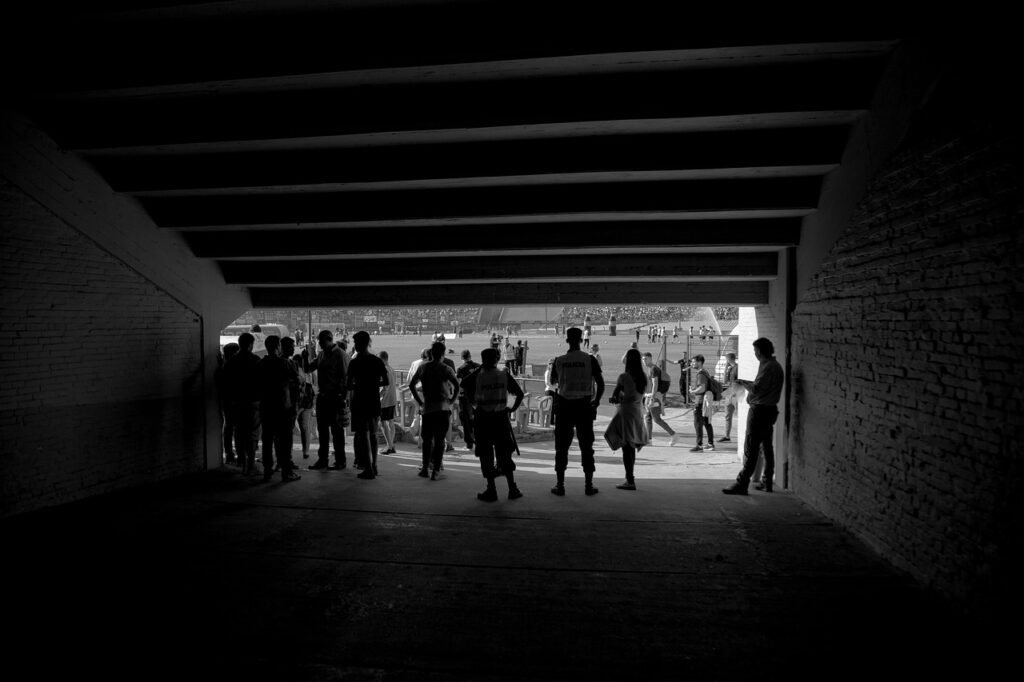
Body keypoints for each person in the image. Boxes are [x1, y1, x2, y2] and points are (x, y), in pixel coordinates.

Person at [461, 347, 525, 502]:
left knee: (485, 454)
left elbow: (464, 383)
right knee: (504, 454)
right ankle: (512, 488)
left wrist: (474, 403)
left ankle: (492, 490)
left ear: (483, 360)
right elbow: (520, 394)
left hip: (483, 419)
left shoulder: (478, 376)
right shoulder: (503, 375)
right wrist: (511, 409)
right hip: (501, 418)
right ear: (497, 359)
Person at [723, 338, 785, 495]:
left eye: (756, 351)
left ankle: (742, 483)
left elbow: (757, 389)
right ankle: (767, 481)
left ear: (761, 351)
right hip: (769, 410)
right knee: (766, 446)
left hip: (759, 411)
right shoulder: (774, 366)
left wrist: (743, 383)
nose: (755, 354)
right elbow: (762, 386)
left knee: (752, 447)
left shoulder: (768, 367)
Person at [549, 327, 605, 496]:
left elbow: (553, 381)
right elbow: (600, 384)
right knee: (586, 446)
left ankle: (560, 485)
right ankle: (588, 485)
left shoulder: (559, 360)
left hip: (565, 406)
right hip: (584, 406)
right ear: (581, 340)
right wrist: (596, 401)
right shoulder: (590, 360)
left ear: (567, 340)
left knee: (561, 447)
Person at [407, 341, 460, 480]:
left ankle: (425, 468)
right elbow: (456, 385)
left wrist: (420, 402)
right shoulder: (445, 368)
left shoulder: (423, 368)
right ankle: (436, 470)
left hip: (428, 408)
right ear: (443, 354)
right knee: (440, 440)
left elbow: (412, 385)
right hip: (442, 408)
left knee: (427, 440)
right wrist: (452, 400)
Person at [256, 335, 300, 482]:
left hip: (266, 406)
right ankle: (286, 472)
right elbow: (297, 380)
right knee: (285, 441)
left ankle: (267, 471)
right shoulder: (285, 363)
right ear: (278, 347)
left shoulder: (261, 364)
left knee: (267, 440)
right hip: (283, 406)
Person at [346, 331, 389, 480]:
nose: (355, 346)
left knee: (363, 434)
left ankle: (368, 468)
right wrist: (373, 383)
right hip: (373, 399)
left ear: (359, 343)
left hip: (359, 400)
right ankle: (375, 465)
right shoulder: (376, 361)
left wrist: (358, 384)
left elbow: (348, 385)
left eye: (355, 343)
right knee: (373, 433)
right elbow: (386, 381)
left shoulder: (355, 362)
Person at [304, 329, 348, 470]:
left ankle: (340, 461)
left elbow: (345, 378)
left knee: (337, 431)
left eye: (321, 341)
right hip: (323, 397)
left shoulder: (340, 355)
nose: (320, 344)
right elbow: (308, 369)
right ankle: (323, 459)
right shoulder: (322, 354)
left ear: (329, 339)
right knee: (322, 431)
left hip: (335, 398)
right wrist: (305, 357)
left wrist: (343, 398)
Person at [605, 348, 648, 490]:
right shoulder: (644, 377)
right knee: (632, 447)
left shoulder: (623, 377)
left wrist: (617, 398)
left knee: (626, 448)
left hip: (625, 413)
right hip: (637, 413)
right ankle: (630, 477)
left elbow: (615, 397)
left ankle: (629, 480)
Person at [223, 332, 261, 476]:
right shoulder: (255, 360)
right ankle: (250, 465)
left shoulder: (231, 362)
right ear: (250, 344)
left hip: (236, 403)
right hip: (252, 403)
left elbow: (226, 383)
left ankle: (242, 463)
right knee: (252, 435)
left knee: (239, 433)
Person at [642, 352, 682, 446]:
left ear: (650, 359)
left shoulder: (653, 369)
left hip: (655, 397)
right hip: (652, 395)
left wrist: (652, 398)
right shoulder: (649, 369)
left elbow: (655, 384)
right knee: (648, 417)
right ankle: (649, 440)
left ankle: (674, 435)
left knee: (656, 419)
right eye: (643, 359)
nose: (644, 361)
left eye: (646, 359)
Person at [217, 342, 240, 464]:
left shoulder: (222, 368)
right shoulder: (231, 368)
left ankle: (229, 453)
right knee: (234, 427)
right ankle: (234, 454)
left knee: (228, 427)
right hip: (233, 401)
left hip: (225, 401)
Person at [687, 354, 715, 452]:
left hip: (700, 402)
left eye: (693, 362)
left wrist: (692, 391)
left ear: (699, 362)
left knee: (698, 423)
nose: (692, 363)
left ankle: (699, 446)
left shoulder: (700, 374)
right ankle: (711, 444)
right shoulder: (705, 372)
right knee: (707, 422)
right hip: (705, 401)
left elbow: (702, 388)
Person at [456, 349, 481, 451]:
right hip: (478, 397)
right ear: (470, 356)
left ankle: (469, 444)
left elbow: (459, 384)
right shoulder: (478, 366)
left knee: (466, 420)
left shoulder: (461, 369)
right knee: (477, 419)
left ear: (462, 358)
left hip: (465, 398)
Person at [295, 351, 315, 460]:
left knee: (302, 427)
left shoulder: (298, 373)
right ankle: (306, 451)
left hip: (301, 403)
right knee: (305, 427)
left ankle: (305, 450)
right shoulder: (307, 373)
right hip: (306, 403)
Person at [378, 350, 398, 455]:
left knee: (382, 423)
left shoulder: (383, 370)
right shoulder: (391, 369)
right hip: (393, 399)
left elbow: (384, 387)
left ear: (382, 359)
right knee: (391, 422)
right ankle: (391, 444)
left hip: (385, 400)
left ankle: (389, 446)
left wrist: (379, 397)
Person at [719, 352, 739, 442]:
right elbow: (724, 381)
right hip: (729, 391)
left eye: (726, 359)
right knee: (727, 415)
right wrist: (726, 368)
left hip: (736, 392)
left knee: (738, 414)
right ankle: (727, 436)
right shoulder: (730, 368)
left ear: (728, 359)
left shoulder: (738, 368)